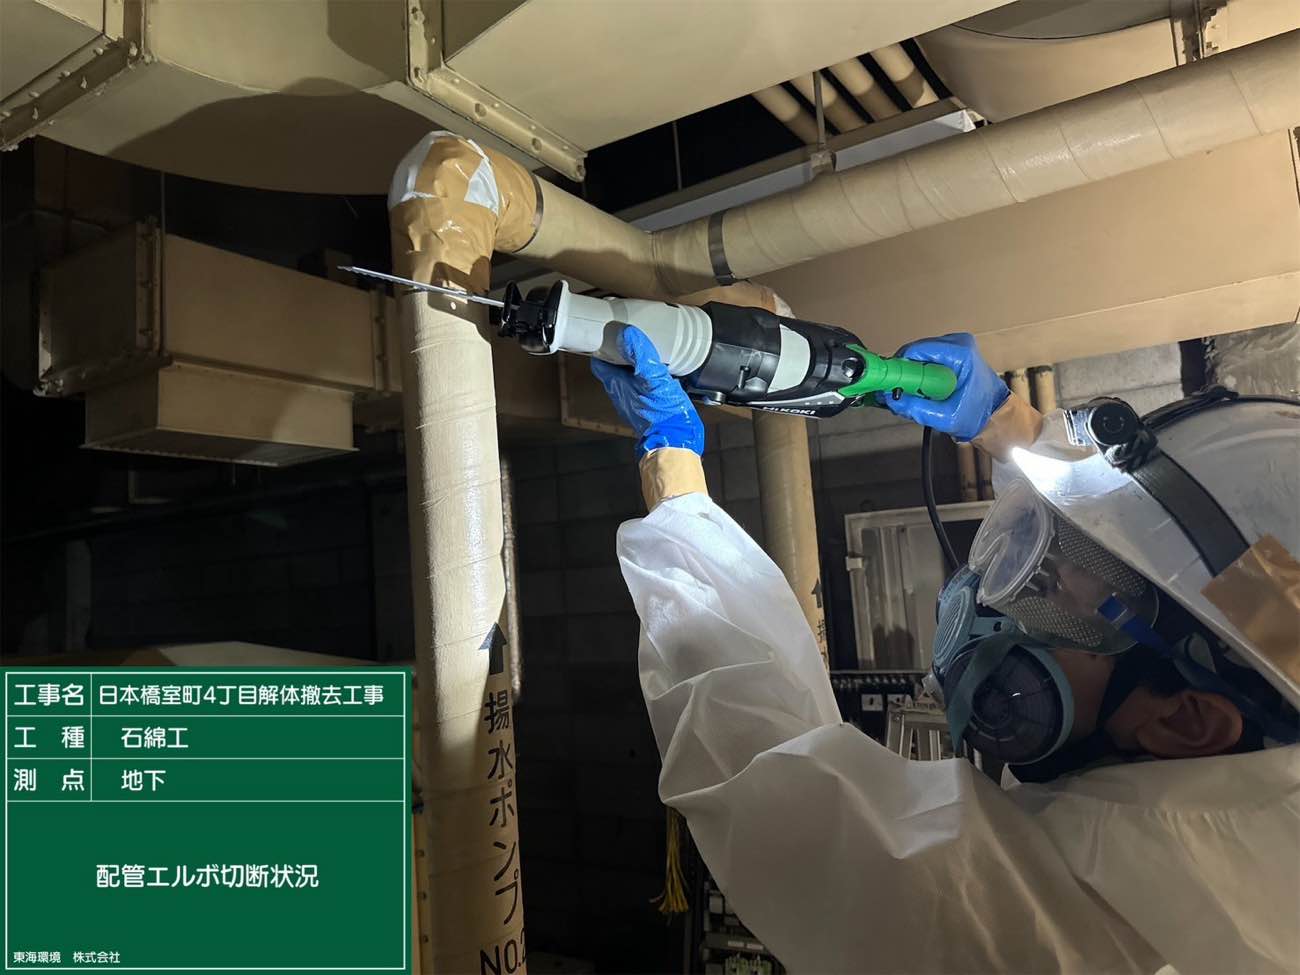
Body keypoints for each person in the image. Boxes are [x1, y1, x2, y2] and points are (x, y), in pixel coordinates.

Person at [590, 324, 1300, 974]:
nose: (1023, 601)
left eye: (1076, 607)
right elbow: (1220, 564)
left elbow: (775, 783)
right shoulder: (1260, 762)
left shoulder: (1106, 930)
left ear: (1186, 719)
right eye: (1059, 562)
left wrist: (674, 484)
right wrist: (1007, 422)